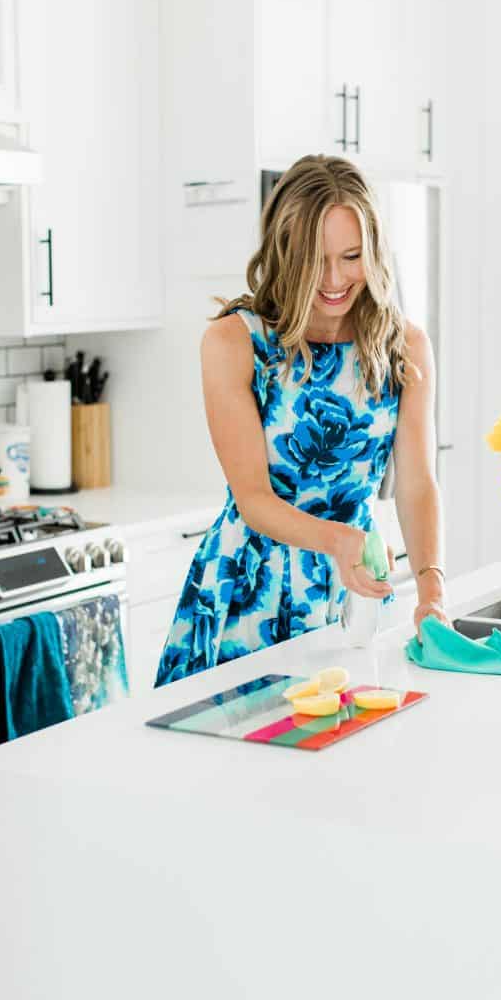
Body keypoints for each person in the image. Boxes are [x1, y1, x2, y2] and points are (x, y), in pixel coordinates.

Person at [155, 154, 448, 686]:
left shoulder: (403, 345)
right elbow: (254, 500)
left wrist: (431, 593)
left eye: (352, 256)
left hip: (352, 590)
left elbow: (417, 484)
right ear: (284, 253)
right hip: (248, 592)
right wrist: (340, 541)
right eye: (316, 259)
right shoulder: (235, 342)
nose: (335, 279)